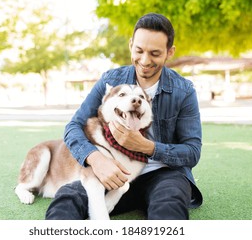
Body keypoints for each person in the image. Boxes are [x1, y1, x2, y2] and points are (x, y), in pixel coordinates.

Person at [45, 13, 203, 220]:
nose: (145, 60)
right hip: (113, 171)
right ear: (131, 46)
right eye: (139, 51)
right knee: (68, 198)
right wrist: (96, 159)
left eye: (155, 53)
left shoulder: (184, 90)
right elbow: (73, 127)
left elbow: (192, 151)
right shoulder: (111, 80)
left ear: (169, 52)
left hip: (163, 176)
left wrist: (146, 146)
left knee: (169, 206)